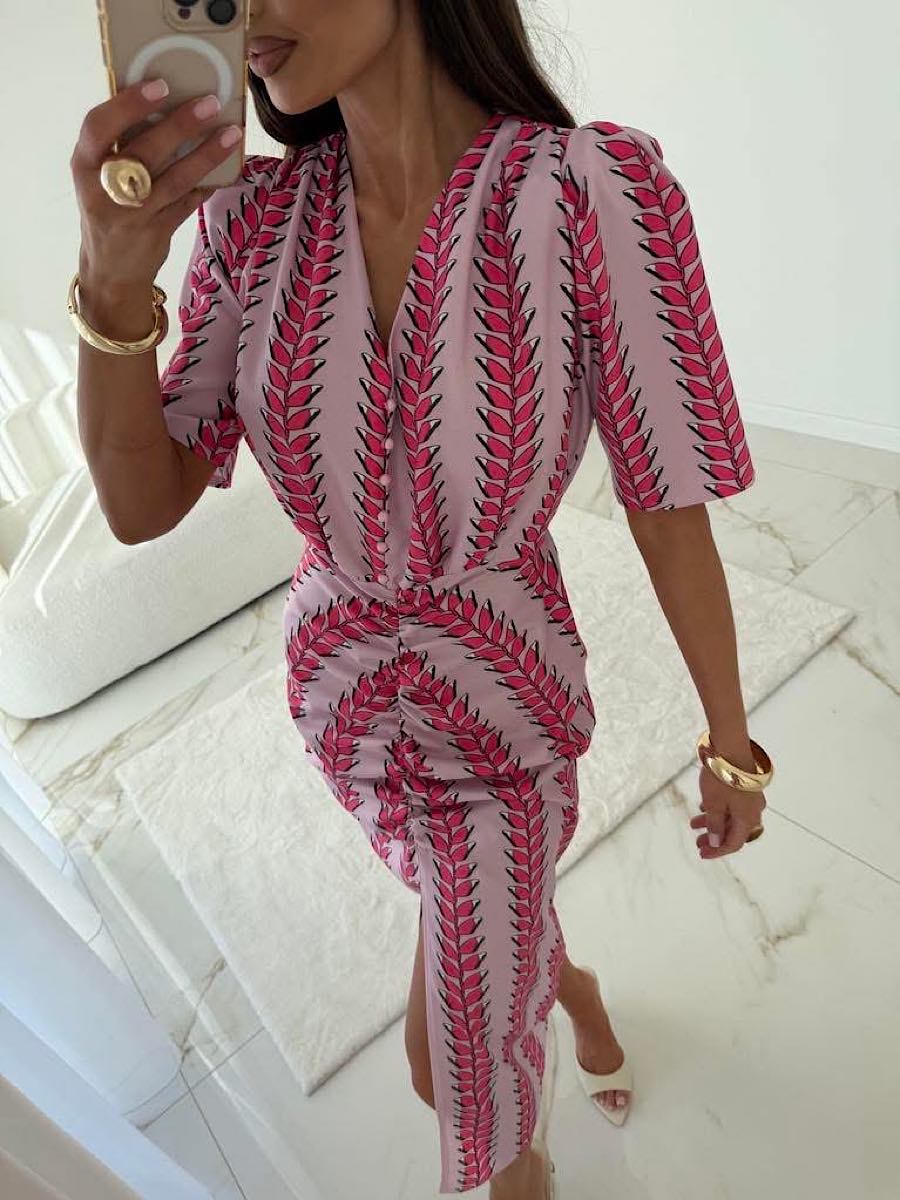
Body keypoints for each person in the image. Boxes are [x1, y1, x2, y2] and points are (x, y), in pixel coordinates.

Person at [70, 1, 771, 1196]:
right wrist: (111, 273)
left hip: (501, 717)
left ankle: (524, 1152)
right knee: (484, 944)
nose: (247, 16)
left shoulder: (593, 192)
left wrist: (731, 742)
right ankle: (571, 993)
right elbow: (143, 503)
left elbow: (667, 500)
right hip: (342, 707)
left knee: (452, 1073)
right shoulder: (253, 221)